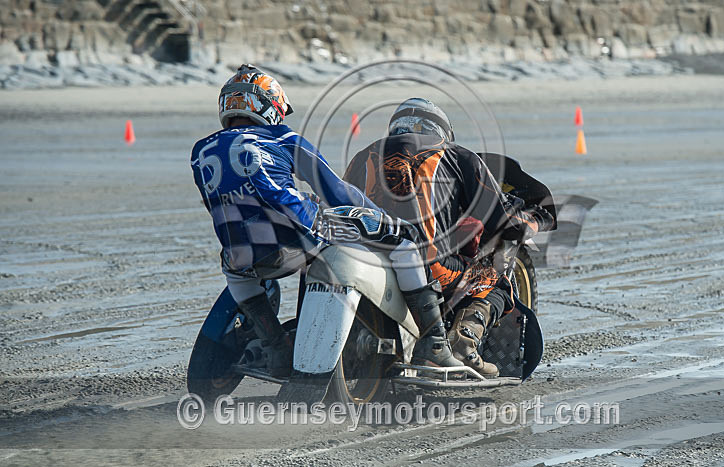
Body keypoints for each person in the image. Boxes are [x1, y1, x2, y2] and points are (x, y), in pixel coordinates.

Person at [190, 67, 462, 378]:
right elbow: (336, 192)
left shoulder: (200, 151)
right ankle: (435, 344)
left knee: (237, 275)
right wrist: (380, 217)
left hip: (239, 251)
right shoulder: (283, 137)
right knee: (405, 244)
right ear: (267, 105)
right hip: (298, 234)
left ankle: (275, 346)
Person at [344, 98, 554, 378]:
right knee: (495, 278)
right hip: (429, 268)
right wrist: (536, 219)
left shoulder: (362, 157)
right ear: (441, 130)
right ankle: (464, 343)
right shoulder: (456, 155)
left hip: (365, 261)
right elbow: (504, 223)